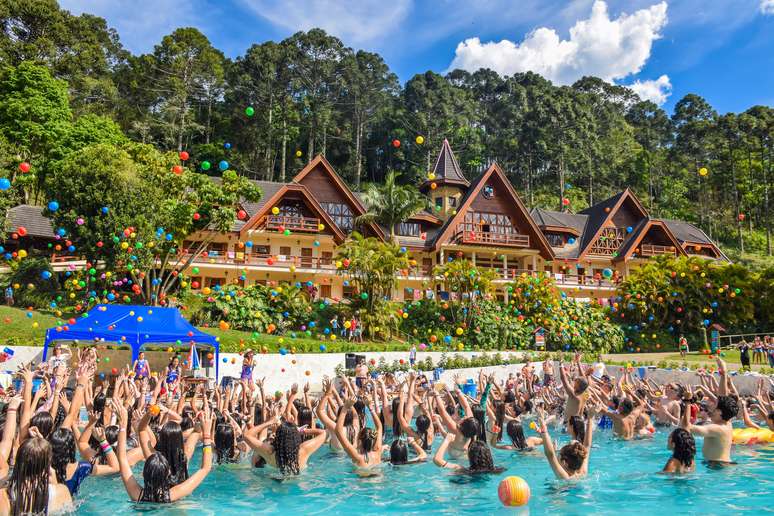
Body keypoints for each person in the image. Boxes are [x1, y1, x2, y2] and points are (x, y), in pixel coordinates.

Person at [116, 402, 213, 503]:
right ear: (167, 472)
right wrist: (206, 432)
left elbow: (122, 458)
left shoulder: (137, 495)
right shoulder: (175, 493)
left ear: (144, 472)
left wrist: (123, 425)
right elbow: (205, 468)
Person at [680, 358, 737, 465]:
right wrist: (723, 373)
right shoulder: (727, 422)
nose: (711, 406)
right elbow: (722, 397)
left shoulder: (716, 428)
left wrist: (687, 401)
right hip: (720, 465)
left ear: (720, 412)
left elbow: (686, 427)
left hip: (718, 468)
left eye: (714, 405)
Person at [433, 432, 504, 474]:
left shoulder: (461, 469)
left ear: (470, 456)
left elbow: (437, 460)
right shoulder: (498, 470)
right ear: (488, 455)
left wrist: (447, 440)